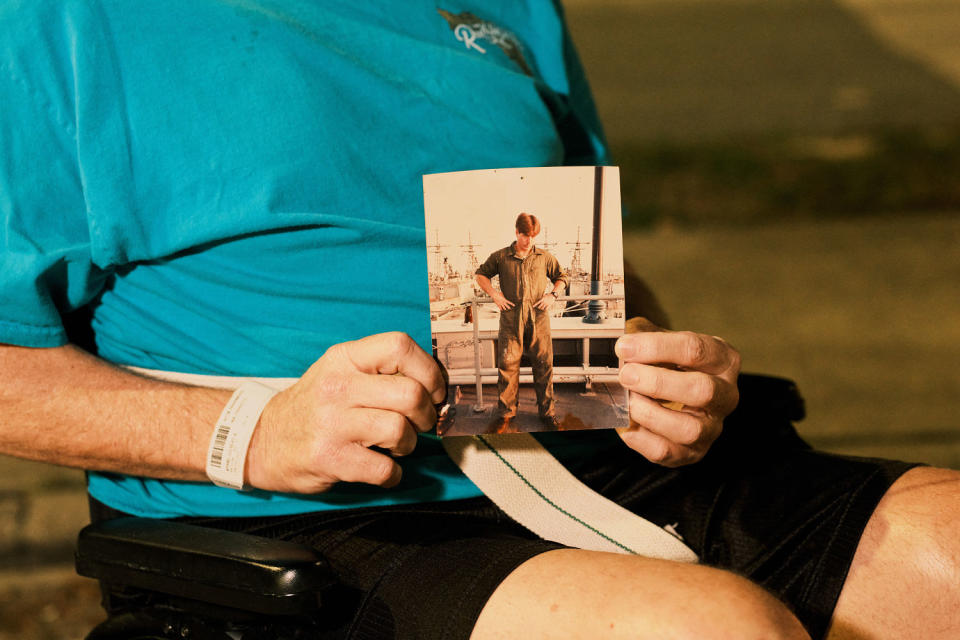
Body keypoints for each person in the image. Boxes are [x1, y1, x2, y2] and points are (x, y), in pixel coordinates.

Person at [1, 2, 957, 639]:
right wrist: (249, 433)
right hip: (319, 519)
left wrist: (660, 375)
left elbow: (599, 262)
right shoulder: (57, 26)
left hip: (585, 452)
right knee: (711, 632)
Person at [475, 213, 567, 432]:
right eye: (526, 235)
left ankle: (547, 414)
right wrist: (494, 294)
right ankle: (506, 414)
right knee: (507, 366)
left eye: (533, 236)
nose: (529, 240)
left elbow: (562, 278)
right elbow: (480, 275)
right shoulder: (501, 257)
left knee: (544, 365)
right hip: (511, 318)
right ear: (517, 232)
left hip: (539, 318)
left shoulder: (545, 257)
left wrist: (552, 295)